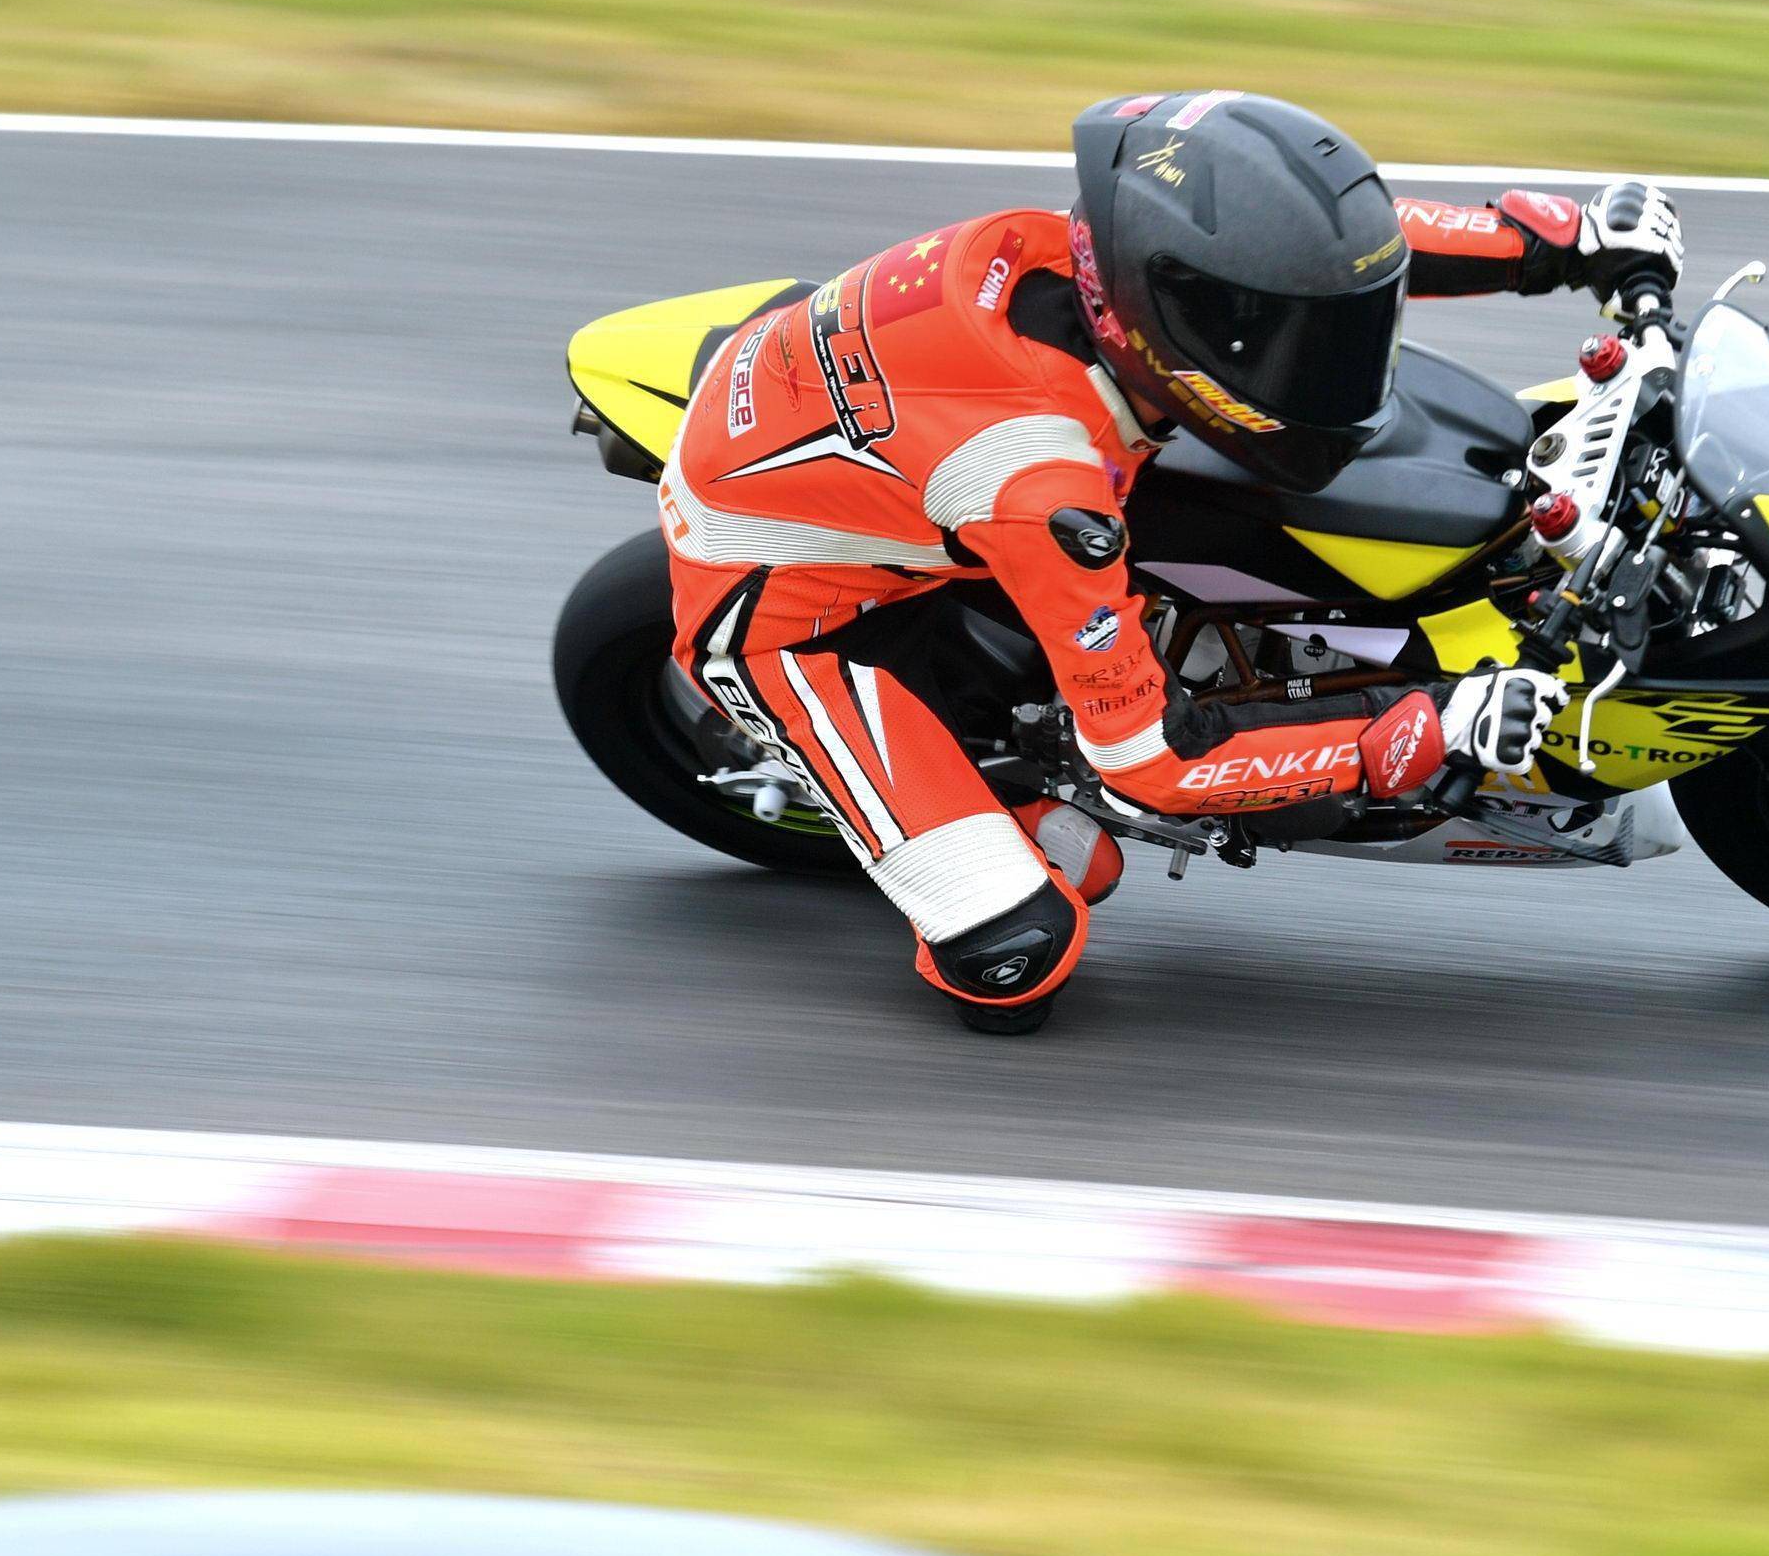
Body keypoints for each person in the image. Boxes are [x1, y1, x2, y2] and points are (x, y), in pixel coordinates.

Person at [660, 90, 1688, 1032]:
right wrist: (1412, 729)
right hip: (786, 614)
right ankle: (970, 833)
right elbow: (1152, 765)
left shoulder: (1112, 255)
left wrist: (1557, 242)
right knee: (1026, 944)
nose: (1329, 364)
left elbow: (1317, 251)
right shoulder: (1042, 486)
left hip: (898, 443)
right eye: (1285, 343)